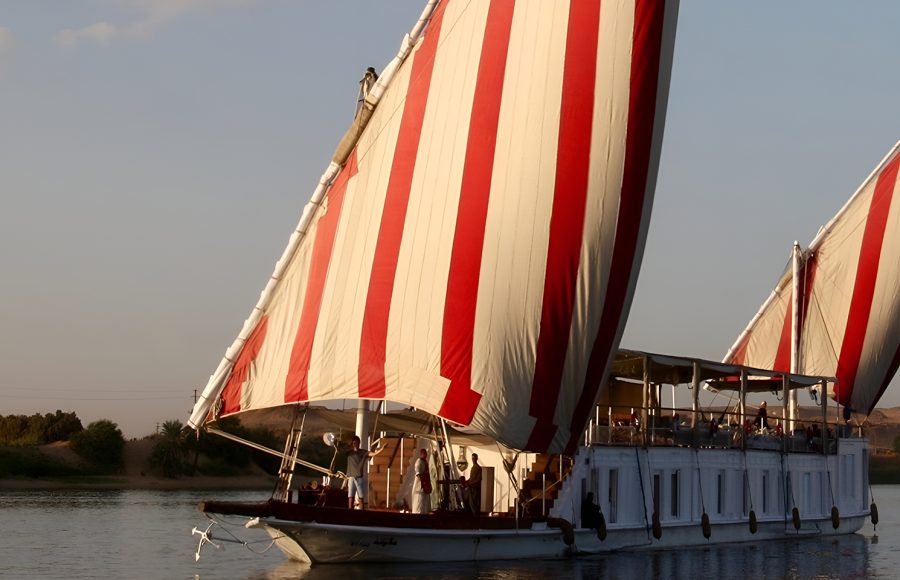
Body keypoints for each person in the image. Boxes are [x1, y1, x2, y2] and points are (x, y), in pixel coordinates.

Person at [345, 435, 384, 510]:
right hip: (351, 477)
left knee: (361, 497)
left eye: (356, 443)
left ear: (359, 443)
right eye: (354, 443)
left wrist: (381, 449)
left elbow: (373, 454)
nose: (355, 444)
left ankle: (362, 512)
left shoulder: (363, 452)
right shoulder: (349, 453)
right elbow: (340, 451)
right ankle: (349, 512)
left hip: (359, 477)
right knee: (350, 496)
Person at [412, 448, 432, 514]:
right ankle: (418, 511)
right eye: (424, 453)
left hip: (426, 480)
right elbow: (418, 473)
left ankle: (425, 511)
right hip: (420, 482)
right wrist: (423, 482)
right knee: (420, 497)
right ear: (421, 454)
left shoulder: (425, 461)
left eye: (426, 453)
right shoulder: (419, 462)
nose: (425, 455)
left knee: (425, 497)